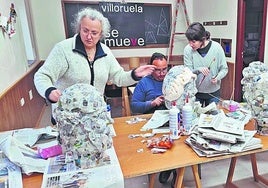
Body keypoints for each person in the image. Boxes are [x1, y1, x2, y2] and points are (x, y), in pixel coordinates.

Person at [34, 7, 155, 124]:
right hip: (68, 118)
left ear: (101, 34)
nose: (89, 36)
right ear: (79, 29)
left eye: (94, 33)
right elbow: (42, 76)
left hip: (96, 117)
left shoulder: (105, 52)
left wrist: (134, 74)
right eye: (85, 31)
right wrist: (49, 91)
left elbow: (118, 78)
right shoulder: (64, 49)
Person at [130, 52, 175, 185]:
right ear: (151, 69)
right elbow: (134, 106)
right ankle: (164, 167)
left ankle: (174, 170)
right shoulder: (144, 82)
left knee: (179, 139)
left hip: (170, 117)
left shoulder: (171, 79)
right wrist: (152, 103)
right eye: (158, 70)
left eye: (164, 69)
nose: (162, 74)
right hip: (151, 120)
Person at [184, 22, 228, 107]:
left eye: (193, 41)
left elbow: (224, 69)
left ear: (203, 39)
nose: (190, 44)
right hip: (195, 93)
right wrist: (198, 70)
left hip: (213, 93)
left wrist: (217, 77)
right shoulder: (188, 50)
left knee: (213, 117)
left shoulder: (217, 48)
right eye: (189, 41)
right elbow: (187, 72)